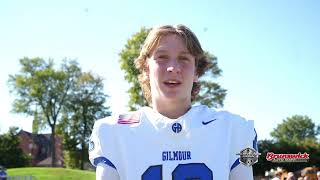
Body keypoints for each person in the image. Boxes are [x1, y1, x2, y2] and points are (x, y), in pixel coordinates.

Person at [89, 24, 258, 179]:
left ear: (196, 70)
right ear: (146, 68)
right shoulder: (113, 132)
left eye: (184, 59)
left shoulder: (232, 130)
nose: (173, 68)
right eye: (162, 57)